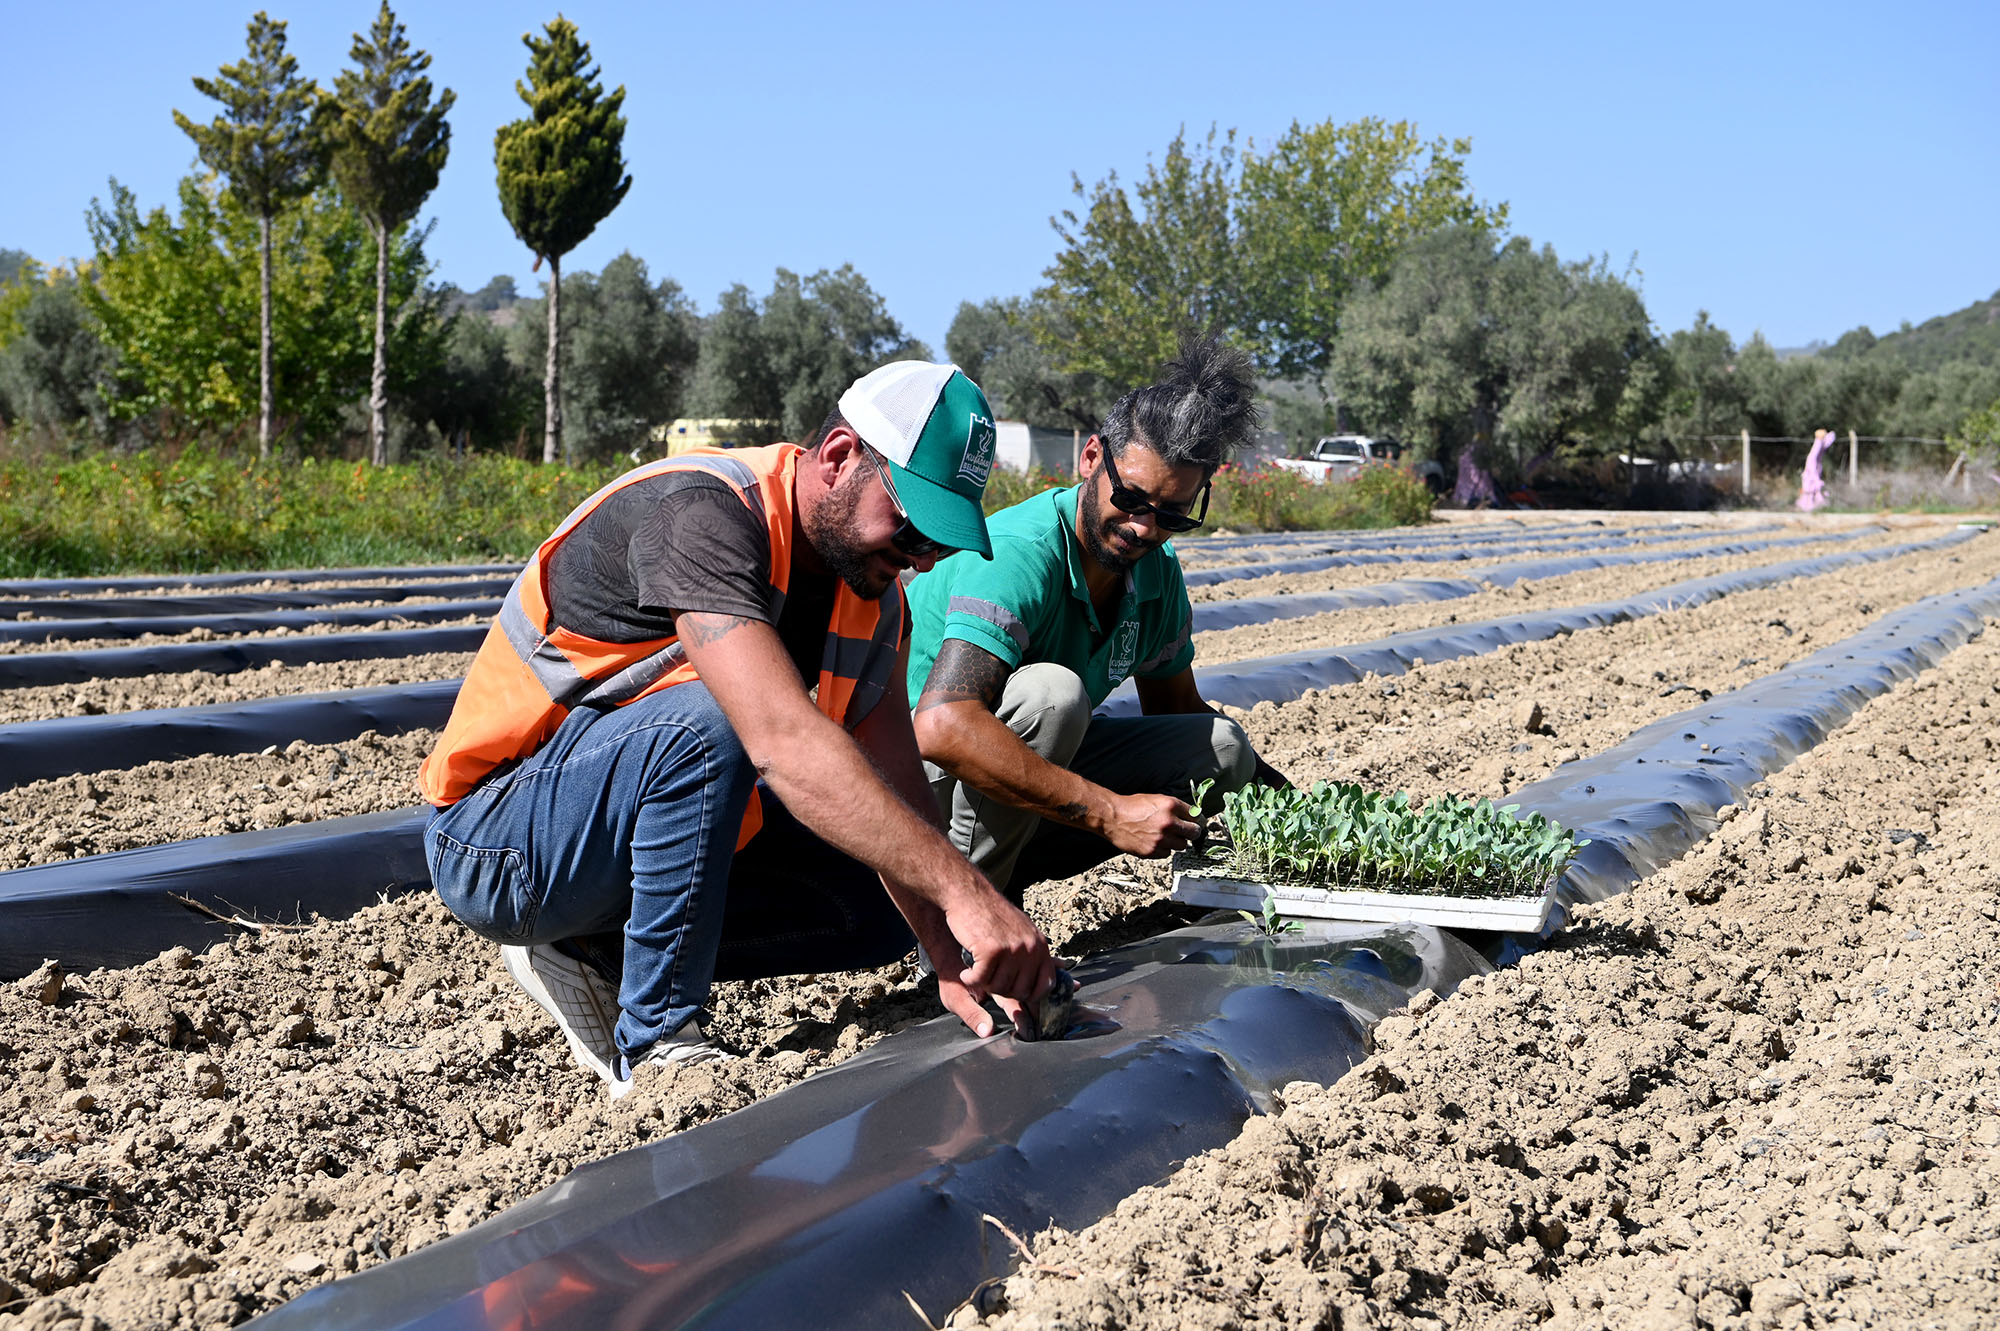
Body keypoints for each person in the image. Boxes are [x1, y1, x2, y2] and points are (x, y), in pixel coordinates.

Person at [418, 361, 1057, 1098]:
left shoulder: (873, 597)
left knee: (881, 902)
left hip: (609, 829)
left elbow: (897, 789)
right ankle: (659, 1043)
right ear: (842, 455)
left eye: (937, 540)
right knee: (712, 722)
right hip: (501, 840)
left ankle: (590, 950)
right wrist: (972, 894)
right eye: (911, 522)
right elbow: (784, 745)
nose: (920, 556)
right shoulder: (705, 513)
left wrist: (950, 944)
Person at [905, 335, 1289, 905]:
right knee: (1052, 697)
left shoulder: (1156, 573)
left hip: (1013, 780)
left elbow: (1177, 710)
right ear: (1091, 459)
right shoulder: (1019, 553)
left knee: (1222, 747)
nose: (1143, 527)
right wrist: (1110, 814)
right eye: (1131, 499)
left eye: (1172, 513)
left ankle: (1225, 906)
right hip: (910, 780)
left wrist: (1304, 810)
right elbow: (941, 726)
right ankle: (964, 920)